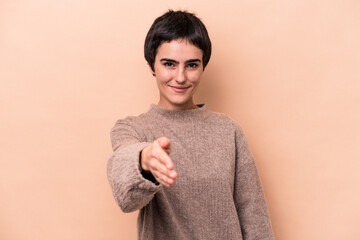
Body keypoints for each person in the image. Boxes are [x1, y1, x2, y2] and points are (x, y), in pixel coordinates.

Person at [107, 10, 274, 240]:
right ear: (152, 65)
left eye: (192, 65)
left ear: (203, 66)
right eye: (169, 64)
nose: (180, 77)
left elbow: (254, 217)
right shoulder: (133, 129)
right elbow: (125, 195)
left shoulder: (229, 130)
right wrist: (144, 160)